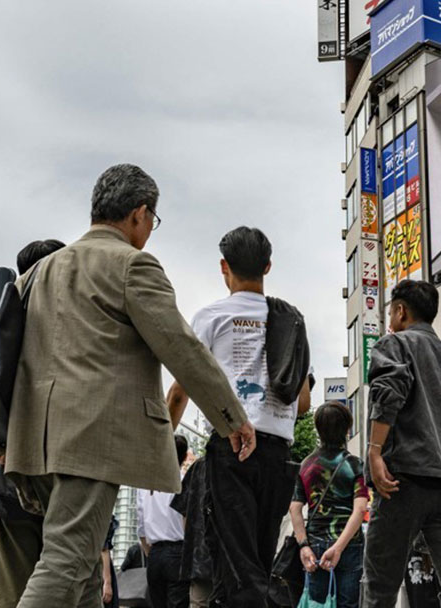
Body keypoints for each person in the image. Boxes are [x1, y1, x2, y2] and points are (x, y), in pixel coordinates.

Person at [4, 164, 254, 608]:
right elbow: (181, 348)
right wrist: (231, 416)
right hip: (90, 435)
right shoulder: (131, 265)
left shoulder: (38, 273)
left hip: (31, 440)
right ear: (139, 214)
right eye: (151, 222)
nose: (149, 231)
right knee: (65, 560)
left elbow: (2, 357)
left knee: (77, 569)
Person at [166, 226, 310, 607]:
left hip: (231, 450)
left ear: (224, 266)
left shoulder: (212, 316)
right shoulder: (291, 319)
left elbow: (182, 387)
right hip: (278, 453)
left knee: (236, 562)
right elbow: (304, 402)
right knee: (258, 562)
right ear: (267, 266)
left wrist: (164, 444)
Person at [362, 280, 441, 608]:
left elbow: (389, 391)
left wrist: (374, 451)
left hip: (406, 478)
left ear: (400, 311)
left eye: (391, 312)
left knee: (380, 583)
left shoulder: (395, 344)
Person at [0, 238, 68, 608]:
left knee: (5, 586)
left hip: (10, 468)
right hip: (63, 471)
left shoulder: (10, 316)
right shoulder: (72, 320)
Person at [290, 401, 369, 608]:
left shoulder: (305, 465)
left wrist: (303, 546)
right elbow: (360, 509)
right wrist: (339, 547)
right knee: (348, 603)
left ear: (318, 429)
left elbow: (295, 508)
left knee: (318, 603)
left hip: (315, 544)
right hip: (349, 544)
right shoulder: (355, 464)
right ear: (347, 428)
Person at [138, 435, 190, 608]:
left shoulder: (145, 484)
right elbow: (188, 520)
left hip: (155, 554)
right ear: (183, 458)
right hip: (179, 552)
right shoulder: (184, 481)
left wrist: (151, 553)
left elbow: (141, 529)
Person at [171, 455, 213, 607]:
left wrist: (192, 542)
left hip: (201, 555)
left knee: (199, 602)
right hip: (236, 555)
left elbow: (184, 510)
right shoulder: (250, 460)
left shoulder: (200, 464)